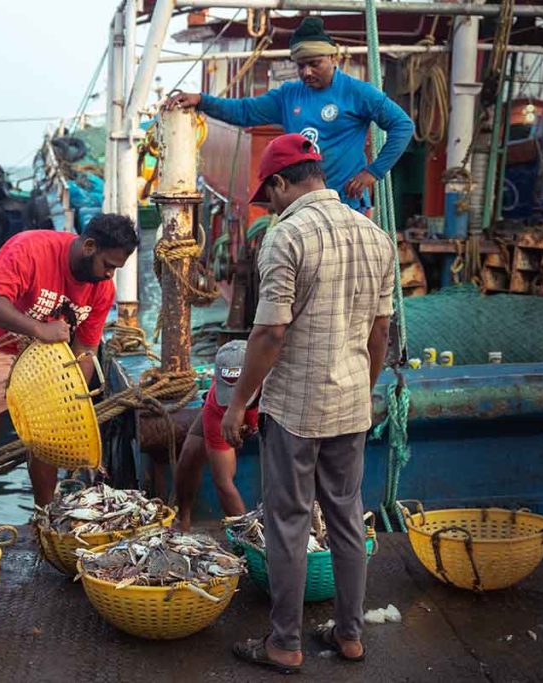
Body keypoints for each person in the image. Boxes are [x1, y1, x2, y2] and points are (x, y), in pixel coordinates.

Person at [221, 134, 395, 674]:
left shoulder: (286, 236)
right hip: (350, 403)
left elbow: (269, 333)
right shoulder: (375, 235)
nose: (267, 204)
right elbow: (380, 332)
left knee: (289, 523)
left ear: (280, 182)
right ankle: (349, 636)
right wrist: (361, 389)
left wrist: (237, 403)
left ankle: (285, 643)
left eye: (267, 193)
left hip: (296, 407)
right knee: (347, 519)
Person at [0, 214, 139, 537]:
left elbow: (85, 349)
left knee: (47, 431)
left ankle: (44, 518)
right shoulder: (30, 250)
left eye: (116, 269)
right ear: (89, 246)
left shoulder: (101, 289)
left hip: (42, 352)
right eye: (108, 265)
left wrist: (71, 403)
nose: (111, 275)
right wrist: (40, 329)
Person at [165, 16, 414, 212]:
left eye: (314, 63)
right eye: (300, 65)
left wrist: (373, 172)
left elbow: (402, 126)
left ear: (333, 57)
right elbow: (244, 112)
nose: (306, 72)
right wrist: (201, 100)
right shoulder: (288, 95)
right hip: (301, 206)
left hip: (344, 204)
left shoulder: (357, 92)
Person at [173, 340, 260, 530]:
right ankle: (183, 519)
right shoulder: (217, 406)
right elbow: (223, 483)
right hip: (220, 417)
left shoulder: (276, 383)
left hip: (269, 411)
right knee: (190, 454)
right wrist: (249, 534)